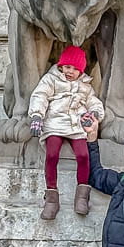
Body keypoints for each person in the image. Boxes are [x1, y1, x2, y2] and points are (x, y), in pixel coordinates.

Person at [27, 44, 104, 219]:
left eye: (75, 69)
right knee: (52, 154)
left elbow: (94, 102)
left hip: (77, 125)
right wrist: (37, 116)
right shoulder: (51, 79)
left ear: (80, 71)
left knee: (84, 156)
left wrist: (96, 114)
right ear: (61, 66)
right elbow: (40, 95)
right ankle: (52, 198)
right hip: (55, 123)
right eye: (67, 67)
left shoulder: (85, 86)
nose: (70, 71)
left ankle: (82, 196)